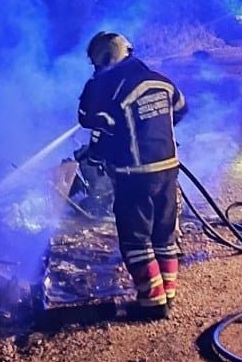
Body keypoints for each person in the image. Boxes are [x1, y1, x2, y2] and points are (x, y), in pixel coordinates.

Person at [77, 32, 187, 319]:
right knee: (164, 234)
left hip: (134, 175)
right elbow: (180, 109)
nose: (95, 70)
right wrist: (154, 130)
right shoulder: (161, 81)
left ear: (105, 58)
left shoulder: (112, 88)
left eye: (96, 64)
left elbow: (87, 119)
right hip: (168, 169)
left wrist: (97, 154)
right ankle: (167, 296)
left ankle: (152, 305)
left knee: (136, 239)